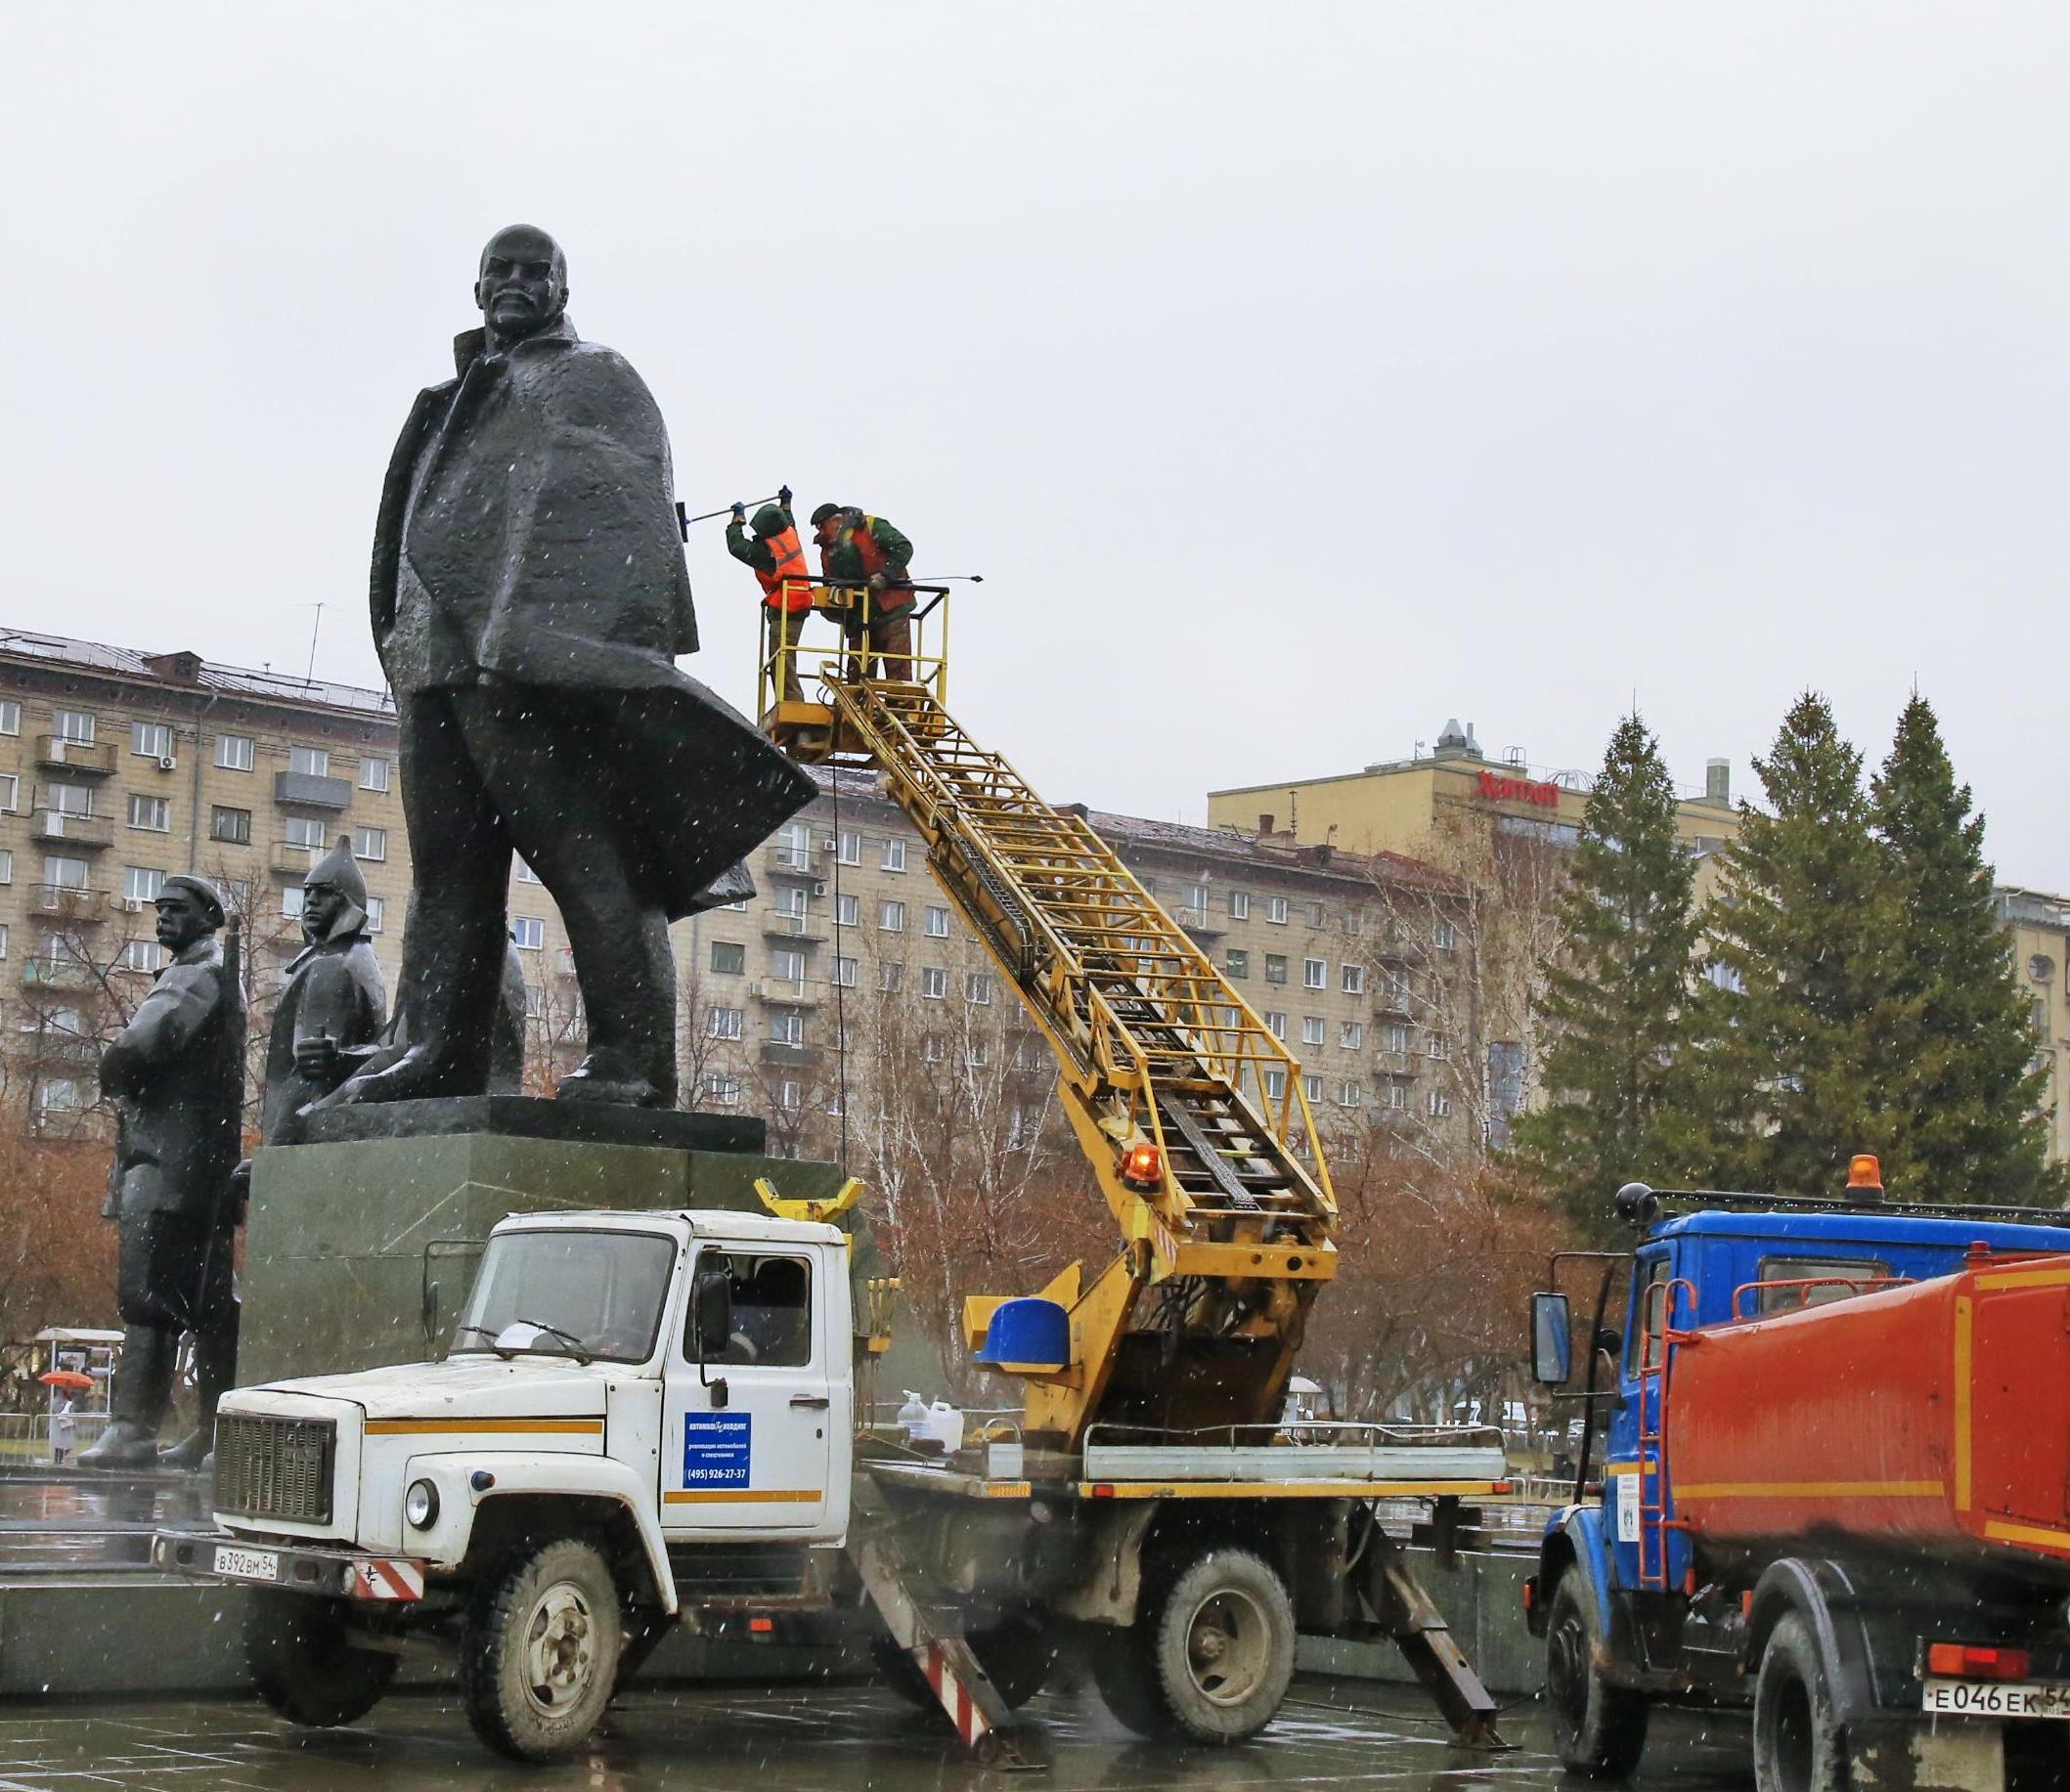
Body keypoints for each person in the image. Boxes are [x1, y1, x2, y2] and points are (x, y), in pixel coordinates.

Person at [328, 224, 814, 1112]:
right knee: (449, 873)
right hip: (432, 662)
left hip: (518, 664)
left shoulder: (592, 377)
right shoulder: (445, 398)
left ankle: (633, 1061)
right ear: (476, 287)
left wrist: (554, 639)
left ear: (561, 286)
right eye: (498, 270)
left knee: (588, 860)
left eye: (533, 271)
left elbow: (622, 524)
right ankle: (435, 1049)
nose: (515, 283)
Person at [79, 876, 244, 1469]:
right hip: (200, 1166)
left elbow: (139, 1045)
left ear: (207, 916)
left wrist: (116, 1074)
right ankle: (213, 1431)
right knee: (207, 1302)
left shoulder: (194, 974)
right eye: (160, 909)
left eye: (176, 909)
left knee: (147, 1296)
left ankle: (132, 1430)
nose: (163, 918)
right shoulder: (215, 972)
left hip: (167, 1163)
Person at [265, 840, 387, 1141]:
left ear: (348, 902)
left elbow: (306, 1076)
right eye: (308, 893)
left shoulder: (331, 964)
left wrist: (277, 1146)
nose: (311, 902)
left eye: (324, 893)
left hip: (304, 1134)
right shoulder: (356, 958)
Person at [726, 489, 815, 703]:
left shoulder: (769, 555)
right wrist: (786, 502)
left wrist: (736, 522)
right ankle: (791, 700)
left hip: (786, 606)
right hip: (800, 600)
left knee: (781, 659)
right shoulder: (789, 533)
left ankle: (792, 702)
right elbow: (790, 520)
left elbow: (737, 547)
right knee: (785, 655)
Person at [810, 503, 915, 680]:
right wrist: (829, 606)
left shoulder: (871, 527)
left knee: (898, 671)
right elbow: (830, 583)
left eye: (822, 527)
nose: (821, 532)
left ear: (837, 521)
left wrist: (885, 576)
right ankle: (859, 702)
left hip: (891, 609)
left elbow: (903, 547)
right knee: (857, 676)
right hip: (858, 618)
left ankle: (901, 704)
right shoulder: (828, 551)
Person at [49, 1393, 75, 1466]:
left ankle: (59, 1459)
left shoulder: (69, 1400)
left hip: (67, 1424)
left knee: (67, 1445)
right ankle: (58, 1460)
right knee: (60, 1444)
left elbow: (72, 1412)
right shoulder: (58, 1399)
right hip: (60, 1424)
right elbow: (55, 1410)